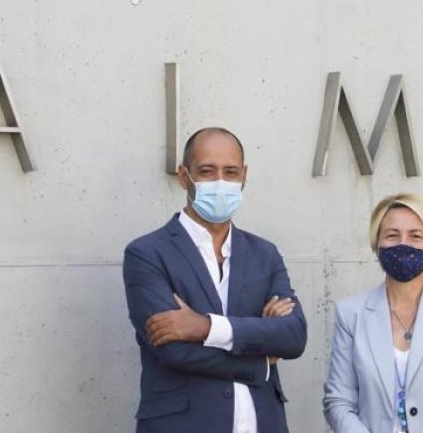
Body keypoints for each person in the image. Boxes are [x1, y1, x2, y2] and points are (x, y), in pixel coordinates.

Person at [123, 127, 307, 433]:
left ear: (244, 175)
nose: (220, 182)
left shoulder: (264, 253)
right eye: (207, 171)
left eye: (231, 172)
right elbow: (172, 350)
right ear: (184, 176)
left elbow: (292, 336)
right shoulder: (146, 253)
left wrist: (204, 327)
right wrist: (261, 360)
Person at [324, 193, 423, 433]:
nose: (403, 244)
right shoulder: (351, 314)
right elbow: (338, 401)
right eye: (392, 235)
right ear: (376, 245)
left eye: (416, 236)